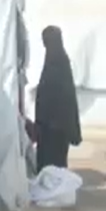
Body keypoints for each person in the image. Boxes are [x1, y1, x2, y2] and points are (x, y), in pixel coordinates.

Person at [34, 25, 82, 170]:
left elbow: (58, 97)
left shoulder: (57, 63)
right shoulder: (57, 60)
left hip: (54, 129)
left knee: (53, 166)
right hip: (53, 128)